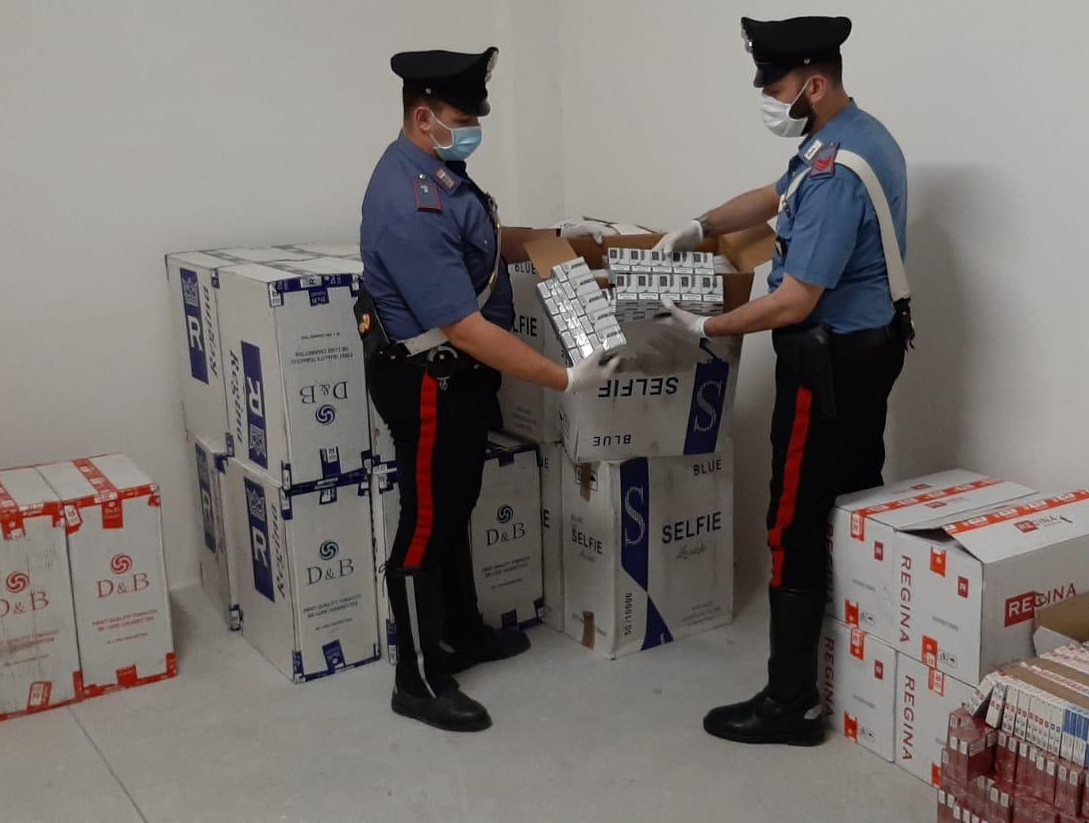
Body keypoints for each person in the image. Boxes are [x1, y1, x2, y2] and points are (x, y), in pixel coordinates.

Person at [654, 16, 915, 746]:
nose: (768, 99)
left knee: (793, 521)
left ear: (815, 83)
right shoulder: (854, 138)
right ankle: (850, 670)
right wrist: (698, 226)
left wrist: (707, 327)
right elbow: (774, 196)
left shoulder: (835, 173)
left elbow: (796, 298)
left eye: (775, 88)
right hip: (867, 353)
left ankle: (789, 701)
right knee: (851, 502)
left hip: (824, 368)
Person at [359, 46, 620, 732]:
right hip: (429, 381)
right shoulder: (408, 203)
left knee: (456, 505)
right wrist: (565, 376)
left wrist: (557, 237)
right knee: (426, 521)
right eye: (463, 116)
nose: (473, 126)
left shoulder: (441, 175)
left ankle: (462, 631)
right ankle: (417, 677)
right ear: (424, 116)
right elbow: (466, 327)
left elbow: (485, 242)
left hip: (461, 381)